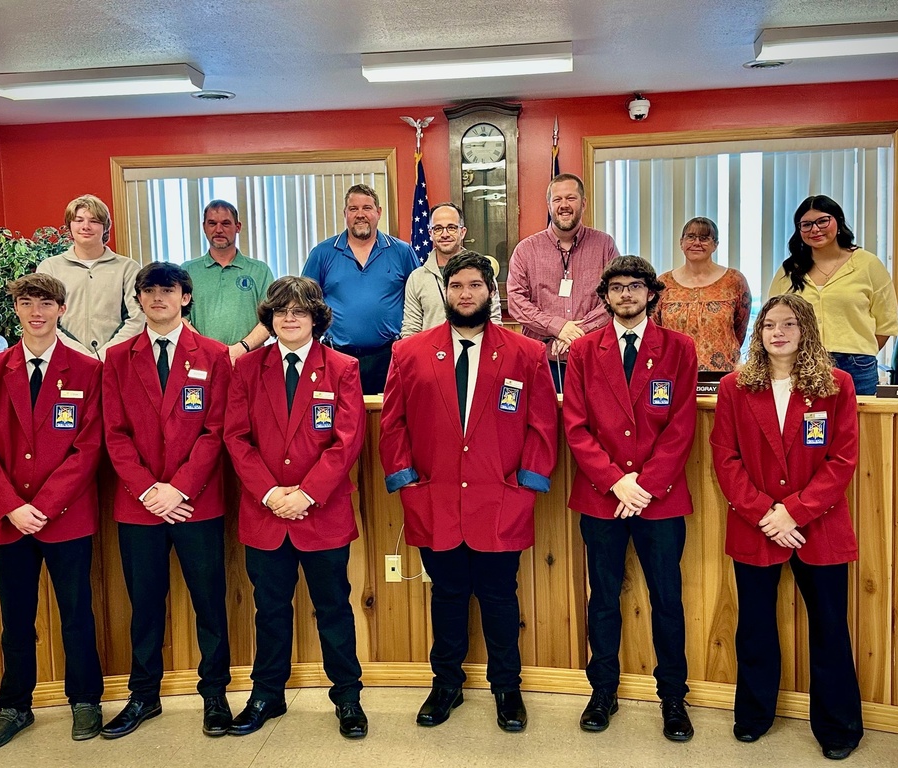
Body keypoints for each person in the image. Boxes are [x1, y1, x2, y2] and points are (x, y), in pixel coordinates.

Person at [380, 252, 558, 733]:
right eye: (456, 285)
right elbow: (392, 425)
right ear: (444, 292)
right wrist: (406, 483)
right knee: (449, 595)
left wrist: (528, 485)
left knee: (500, 596)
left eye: (475, 285)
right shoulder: (409, 352)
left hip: (501, 499)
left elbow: (543, 426)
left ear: (490, 291)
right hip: (434, 499)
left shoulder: (526, 354)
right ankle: (446, 685)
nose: (465, 293)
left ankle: (507, 688)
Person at [710, 293, 863, 760]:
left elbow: (842, 459)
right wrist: (765, 514)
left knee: (830, 629)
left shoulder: (836, 385)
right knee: (755, 627)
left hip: (818, 526)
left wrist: (794, 511)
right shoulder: (736, 386)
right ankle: (754, 716)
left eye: (790, 325)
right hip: (756, 526)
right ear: (758, 333)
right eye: (770, 325)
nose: (778, 332)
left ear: (806, 332)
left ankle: (838, 728)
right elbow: (725, 459)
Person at [224, 276, 368, 739]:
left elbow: (347, 441)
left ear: (315, 319)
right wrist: (270, 494)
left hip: (321, 513)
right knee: (269, 609)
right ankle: (267, 693)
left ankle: (347, 697)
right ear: (269, 317)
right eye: (282, 310)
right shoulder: (247, 370)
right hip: (265, 514)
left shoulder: (342, 367)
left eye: (299, 311)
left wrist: (305, 493)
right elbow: (236, 438)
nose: (289, 318)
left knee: (334, 608)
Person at [0, 273, 104, 748]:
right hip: (8, 523)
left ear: (62, 309)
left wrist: (42, 506)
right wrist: (13, 507)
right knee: (16, 618)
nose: (37, 312)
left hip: (65, 518)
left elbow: (88, 448)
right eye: (27, 303)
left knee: (76, 614)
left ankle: (85, 701)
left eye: (46, 303)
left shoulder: (87, 370)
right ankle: (14, 706)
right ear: (17, 310)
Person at [562, 256, 698, 742]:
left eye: (634, 287)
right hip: (602, 498)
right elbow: (575, 426)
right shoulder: (583, 352)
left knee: (667, 600)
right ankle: (602, 691)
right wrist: (614, 480)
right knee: (602, 599)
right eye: (616, 288)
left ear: (650, 294)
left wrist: (643, 485)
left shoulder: (679, 349)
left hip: (659, 500)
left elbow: (682, 427)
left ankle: (674, 698)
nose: (625, 295)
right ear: (604, 296)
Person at [100, 262, 232, 739]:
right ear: (138, 299)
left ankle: (215, 693)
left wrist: (178, 487)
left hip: (196, 502)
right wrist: (150, 490)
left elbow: (216, 430)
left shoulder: (214, 355)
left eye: (168, 290)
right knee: (145, 605)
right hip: (140, 506)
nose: (158, 297)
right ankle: (144, 696)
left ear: (185, 297)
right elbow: (114, 435)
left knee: (209, 603)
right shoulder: (116, 359)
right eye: (149, 290)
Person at [768, 195, 898, 395]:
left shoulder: (867, 264)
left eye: (822, 221)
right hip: (799, 364)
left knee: (856, 425)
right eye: (806, 224)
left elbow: (886, 322)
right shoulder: (789, 270)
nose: (815, 229)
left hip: (856, 366)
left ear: (838, 222)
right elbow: (771, 319)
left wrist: (858, 350)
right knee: (804, 425)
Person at [301, 183, 418, 394]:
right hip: (336, 356)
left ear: (378, 212)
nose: (360, 214)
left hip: (389, 357)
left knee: (386, 421)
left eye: (367, 208)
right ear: (345, 213)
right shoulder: (322, 253)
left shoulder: (402, 252)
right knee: (338, 420)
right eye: (353, 209)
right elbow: (305, 302)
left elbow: (418, 298)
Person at [507, 173, 619, 392]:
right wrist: (558, 327)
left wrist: (578, 332)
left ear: (583, 203)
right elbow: (516, 301)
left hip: (593, 359)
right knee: (545, 425)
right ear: (549, 205)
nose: (564, 205)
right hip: (541, 361)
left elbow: (615, 297)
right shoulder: (526, 250)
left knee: (595, 424)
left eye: (571, 198)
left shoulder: (604, 245)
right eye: (557, 199)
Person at [36, 193, 143, 358]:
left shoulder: (128, 268)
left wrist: (105, 355)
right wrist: (81, 356)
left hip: (116, 360)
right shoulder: (49, 268)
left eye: (94, 221)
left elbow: (137, 318)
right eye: (79, 220)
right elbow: (44, 318)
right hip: (65, 358)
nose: (85, 226)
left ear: (105, 226)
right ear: (70, 226)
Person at [183, 199, 275, 365]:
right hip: (203, 361)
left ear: (237, 227)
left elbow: (270, 320)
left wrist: (241, 348)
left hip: (250, 361)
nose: (218, 230)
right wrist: (207, 349)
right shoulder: (187, 271)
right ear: (204, 227)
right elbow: (179, 318)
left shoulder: (260, 271)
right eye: (212, 223)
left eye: (226, 223)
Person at [655, 217, 751, 371]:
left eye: (704, 238)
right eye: (691, 237)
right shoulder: (663, 283)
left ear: (715, 245)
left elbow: (740, 329)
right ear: (681, 243)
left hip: (722, 375)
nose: (696, 243)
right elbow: (656, 330)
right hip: (674, 372)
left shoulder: (734, 281)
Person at [401, 202, 502, 336]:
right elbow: (411, 329)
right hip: (430, 354)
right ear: (430, 233)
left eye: (452, 227)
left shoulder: (482, 272)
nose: (445, 234)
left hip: (476, 353)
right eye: (438, 228)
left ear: (463, 232)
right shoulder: (417, 278)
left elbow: (494, 322)